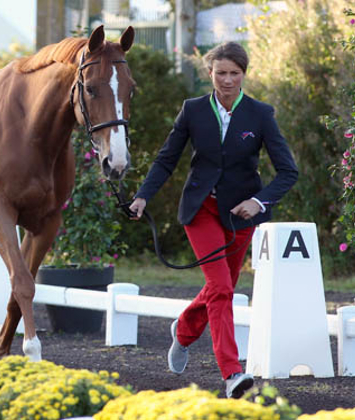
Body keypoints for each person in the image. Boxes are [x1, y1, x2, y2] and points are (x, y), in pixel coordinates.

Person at [128, 42, 298, 398]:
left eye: (234, 73)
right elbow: (166, 159)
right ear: (210, 74)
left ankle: (184, 330)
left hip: (241, 216)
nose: (227, 80)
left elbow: (287, 172)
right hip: (200, 209)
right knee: (221, 289)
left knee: (221, 287)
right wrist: (144, 194)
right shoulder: (192, 110)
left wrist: (258, 201)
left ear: (243, 75)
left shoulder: (261, 114)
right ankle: (232, 373)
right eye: (221, 73)